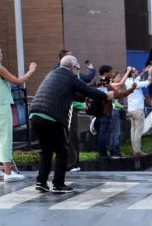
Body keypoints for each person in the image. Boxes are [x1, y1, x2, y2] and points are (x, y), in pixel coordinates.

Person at [30, 55, 112, 193]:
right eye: (78, 69)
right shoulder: (71, 77)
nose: (77, 71)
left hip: (34, 115)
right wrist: (105, 96)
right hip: (51, 117)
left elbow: (74, 93)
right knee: (62, 151)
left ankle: (41, 182)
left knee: (46, 151)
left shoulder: (52, 74)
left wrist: (87, 98)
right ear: (72, 68)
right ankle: (58, 184)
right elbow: (87, 89)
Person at [0, 43, 36, 182]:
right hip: (1, 106)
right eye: (0, 52)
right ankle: (8, 173)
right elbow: (18, 81)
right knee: (5, 138)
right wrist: (31, 71)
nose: (2, 54)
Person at [56, 50, 96, 173]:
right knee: (71, 137)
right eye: (70, 56)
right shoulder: (63, 75)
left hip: (71, 109)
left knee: (73, 137)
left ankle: (73, 163)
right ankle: (70, 164)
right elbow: (70, 95)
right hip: (67, 110)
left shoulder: (70, 74)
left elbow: (80, 89)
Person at [93, 66, 136, 159]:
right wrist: (131, 89)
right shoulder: (106, 84)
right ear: (106, 73)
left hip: (98, 112)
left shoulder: (97, 82)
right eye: (110, 72)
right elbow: (119, 94)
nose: (111, 74)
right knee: (105, 134)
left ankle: (103, 153)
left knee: (102, 133)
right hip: (106, 112)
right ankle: (104, 154)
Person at [125, 65, 152, 156]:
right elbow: (149, 82)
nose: (137, 71)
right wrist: (150, 73)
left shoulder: (128, 81)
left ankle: (135, 149)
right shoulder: (134, 83)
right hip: (137, 110)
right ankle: (137, 151)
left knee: (133, 130)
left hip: (131, 109)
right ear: (132, 73)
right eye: (135, 70)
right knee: (138, 131)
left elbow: (139, 77)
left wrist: (144, 71)